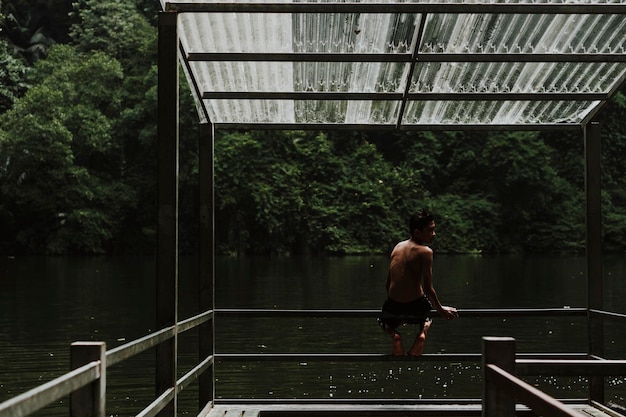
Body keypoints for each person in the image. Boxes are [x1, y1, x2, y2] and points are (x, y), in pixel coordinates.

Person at [378, 210, 458, 356]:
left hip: (393, 304)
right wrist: (441, 310)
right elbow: (428, 289)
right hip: (416, 305)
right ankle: (422, 334)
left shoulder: (398, 247)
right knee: (428, 316)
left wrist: (397, 304)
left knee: (382, 320)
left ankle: (395, 336)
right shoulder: (425, 251)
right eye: (430, 230)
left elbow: (388, 283)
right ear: (417, 232)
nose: (434, 234)